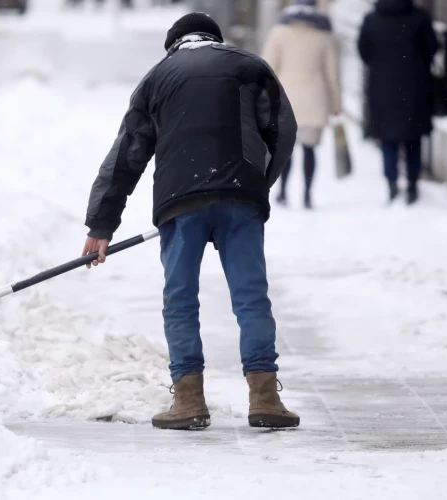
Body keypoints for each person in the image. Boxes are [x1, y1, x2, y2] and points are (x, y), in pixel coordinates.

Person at [81, 12, 299, 431]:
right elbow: (281, 131)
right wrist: (257, 184)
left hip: (181, 202)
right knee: (251, 298)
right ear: (215, 40)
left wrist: (100, 226)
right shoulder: (251, 67)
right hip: (241, 199)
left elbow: (127, 154)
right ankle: (265, 397)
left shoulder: (158, 77)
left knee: (180, 300)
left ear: (174, 45)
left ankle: (188, 399)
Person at [262, 0, 341, 209]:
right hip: (315, 99)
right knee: (309, 150)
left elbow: (267, 68)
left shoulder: (279, 32)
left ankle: (283, 192)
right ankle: (307, 194)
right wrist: (336, 104)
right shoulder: (325, 35)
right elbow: (332, 75)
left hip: (286, 100)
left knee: (285, 150)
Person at [357, 0, 438, 205]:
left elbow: (364, 51)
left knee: (388, 139)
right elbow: (432, 47)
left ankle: (392, 182)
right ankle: (412, 184)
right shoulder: (419, 17)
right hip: (415, 86)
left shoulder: (372, 19)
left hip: (382, 87)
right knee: (413, 138)